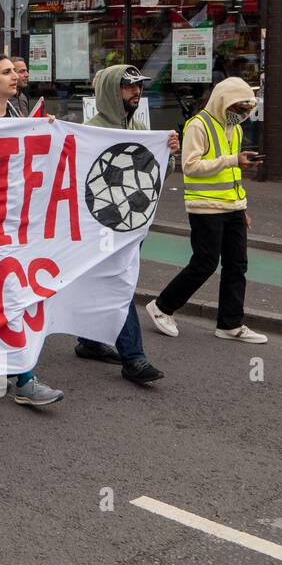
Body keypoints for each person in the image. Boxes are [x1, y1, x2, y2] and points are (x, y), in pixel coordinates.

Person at [0, 54, 64, 407]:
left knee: (8, 297)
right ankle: (23, 378)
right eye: (5, 73)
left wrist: (46, 132)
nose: (14, 77)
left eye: (13, 72)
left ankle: (9, 368)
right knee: (3, 297)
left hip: (14, 225)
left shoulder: (20, 119)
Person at [73, 65, 176, 384]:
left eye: (138, 86)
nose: (136, 91)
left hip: (132, 225)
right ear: (109, 91)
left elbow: (156, 177)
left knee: (106, 283)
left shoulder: (141, 127)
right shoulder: (90, 131)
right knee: (120, 284)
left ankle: (89, 342)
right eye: (127, 86)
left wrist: (169, 155)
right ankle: (134, 359)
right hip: (101, 227)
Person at [145, 77, 266, 344]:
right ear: (223, 101)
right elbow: (190, 166)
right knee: (205, 263)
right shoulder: (198, 125)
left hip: (232, 206)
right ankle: (162, 307)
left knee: (237, 265)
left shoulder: (233, 128)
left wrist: (241, 208)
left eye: (247, 108)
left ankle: (230, 324)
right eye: (239, 107)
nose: (243, 113)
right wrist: (233, 159)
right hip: (205, 207)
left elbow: (233, 173)